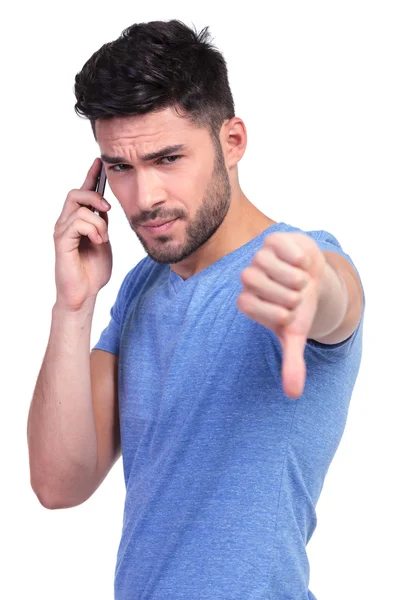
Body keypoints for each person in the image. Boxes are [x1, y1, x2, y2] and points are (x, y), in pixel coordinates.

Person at [27, 19, 364, 600]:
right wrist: (74, 306)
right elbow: (60, 484)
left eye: (168, 158)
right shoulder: (140, 287)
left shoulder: (298, 262)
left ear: (232, 142)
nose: (144, 197)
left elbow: (335, 298)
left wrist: (317, 289)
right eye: (120, 168)